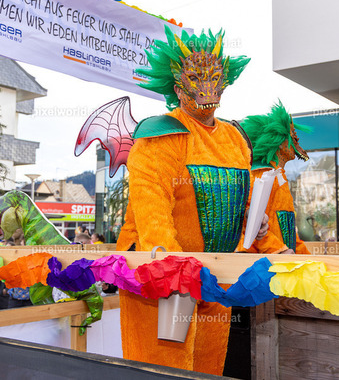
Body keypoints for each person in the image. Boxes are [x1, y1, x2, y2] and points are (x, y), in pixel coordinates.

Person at [115, 27, 269, 375]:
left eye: (214, 78)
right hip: (164, 279)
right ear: (177, 86)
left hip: (216, 278)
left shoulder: (235, 138)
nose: (207, 88)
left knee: (208, 368)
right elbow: (152, 212)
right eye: (196, 79)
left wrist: (254, 222)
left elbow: (240, 204)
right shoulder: (160, 134)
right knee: (165, 369)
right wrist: (174, 273)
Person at [238, 101, 311, 254]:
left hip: (282, 261)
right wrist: (279, 250)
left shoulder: (279, 176)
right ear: (279, 141)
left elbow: (288, 231)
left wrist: (307, 257)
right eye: (293, 138)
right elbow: (252, 223)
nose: (297, 143)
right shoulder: (262, 174)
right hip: (263, 262)